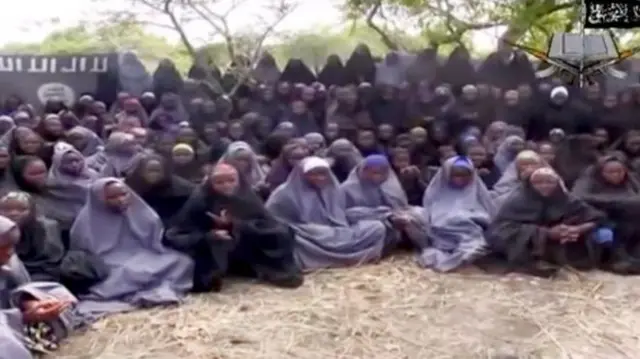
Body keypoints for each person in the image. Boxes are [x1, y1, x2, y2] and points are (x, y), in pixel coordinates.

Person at [165, 163, 302, 292]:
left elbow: (269, 226)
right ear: (210, 183)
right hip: (213, 253)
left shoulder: (248, 198)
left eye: (231, 180)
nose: (226, 186)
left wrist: (234, 225)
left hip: (247, 249)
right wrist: (208, 236)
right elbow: (177, 234)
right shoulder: (200, 200)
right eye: (219, 182)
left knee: (283, 233)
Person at [69, 178, 193, 316]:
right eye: (112, 197)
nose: (121, 200)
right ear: (99, 199)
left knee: (182, 261)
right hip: (111, 264)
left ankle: (158, 290)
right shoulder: (85, 222)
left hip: (145, 254)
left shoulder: (139, 209)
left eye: (124, 194)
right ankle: (141, 292)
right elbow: (87, 258)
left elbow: (154, 240)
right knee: (132, 273)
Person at [266, 156, 388, 271]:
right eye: (314, 174)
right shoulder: (284, 194)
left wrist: (381, 213)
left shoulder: (333, 189)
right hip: (309, 238)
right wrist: (305, 230)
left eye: (323, 174)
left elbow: (343, 214)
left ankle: (355, 257)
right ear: (302, 175)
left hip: (338, 232)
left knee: (376, 227)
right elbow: (272, 222)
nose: (320, 178)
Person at [488, 167, 606, 277]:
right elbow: (501, 228)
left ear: (557, 184)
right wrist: (546, 233)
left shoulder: (566, 199)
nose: (544, 186)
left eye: (550, 182)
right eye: (538, 182)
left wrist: (577, 229)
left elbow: (596, 217)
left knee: (598, 235)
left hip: (563, 242)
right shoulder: (518, 200)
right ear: (530, 184)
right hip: (529, 245)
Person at [0, 215, 85, 358]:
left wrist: (28, 301)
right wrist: (23, 317)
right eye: (3, 248)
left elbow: (16, 290)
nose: (10, 252)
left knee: (51, 292)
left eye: (12, 246)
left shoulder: (10, 261)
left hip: (11, 315)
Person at [419, 156, 496, 272]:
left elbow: (489, 212)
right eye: (456, 175)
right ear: (447, 175)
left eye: (464, 176)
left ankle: (459, 261)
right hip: (441, 231)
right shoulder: (437, 190)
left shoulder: (477, 190)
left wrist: (470, 217)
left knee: (475, 247)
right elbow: (430, 212)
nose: (460, 179)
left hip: (471, 230)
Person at [340, 154, 428, 248]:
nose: (378, 176)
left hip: (394, 222)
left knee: (420, 213)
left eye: (383, 173)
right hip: (365, 224)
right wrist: (385, 215)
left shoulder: (389, 184)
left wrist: (400, 215)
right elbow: (346, 214)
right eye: (374, 172)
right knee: (377, 227)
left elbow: (401, 206)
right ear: (363, 171)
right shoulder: (347, 189)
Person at [571, 155, 640, 274]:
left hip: (628, 219)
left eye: (619, 171)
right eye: (610, 172)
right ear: (601, 172)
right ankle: (613, 259)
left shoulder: (630, 181)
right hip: (601, 218)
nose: (616, 175)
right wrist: (617, 201)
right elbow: (577, 197)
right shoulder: (589, 180)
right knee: (606, 232)